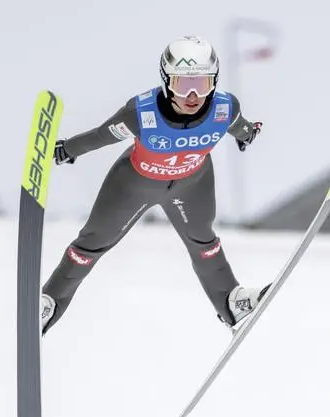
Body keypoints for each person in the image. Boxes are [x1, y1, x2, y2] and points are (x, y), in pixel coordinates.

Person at [40, 35, 270, 335]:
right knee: (90, 244)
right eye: (181, 84)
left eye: (201, 85)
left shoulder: (225, 108)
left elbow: (240, 126)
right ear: (165, 80)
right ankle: (48, 304)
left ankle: (231, 302)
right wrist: (65, 149)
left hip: (192, 184)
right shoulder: (142, 112)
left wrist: (247, 134)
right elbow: (101, 136)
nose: (191, 95)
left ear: (214, 82)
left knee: (204, 242)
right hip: (135, 184)